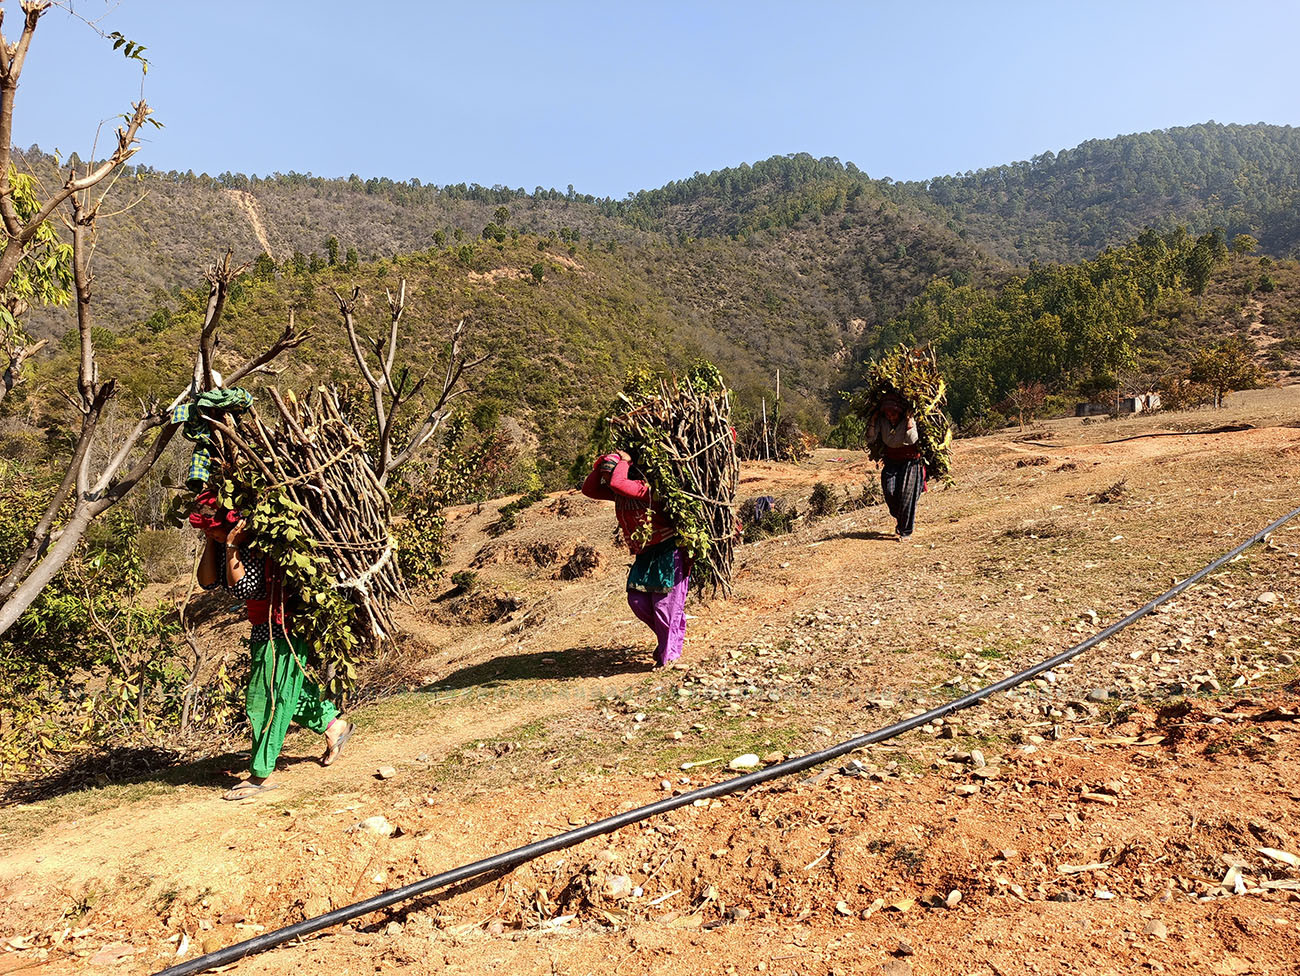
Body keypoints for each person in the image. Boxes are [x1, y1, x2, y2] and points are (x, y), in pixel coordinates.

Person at [193, 491, 353, 800]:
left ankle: (260, 774)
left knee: (265, 700)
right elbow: (207, 581)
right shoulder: (224, 543)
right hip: (262, 629)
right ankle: (334, 726)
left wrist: (230, 544)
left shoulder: (258, 548)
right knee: (288, 692)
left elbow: (246, 588)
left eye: (209, 525)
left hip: (283, 627)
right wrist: (213, 541)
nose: (205, 530)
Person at [581, 451, 689, 668]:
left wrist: (624, 460)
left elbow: (618, 483)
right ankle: (670, 635)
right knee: (637, 601)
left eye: (609, 475)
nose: (607, 481)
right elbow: (589, 489)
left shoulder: (647, 490)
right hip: (645, 554)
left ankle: (669, 657)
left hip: (669, 550)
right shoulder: (618, 493)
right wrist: (601, 464)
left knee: (664, 607)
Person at [874, 393, 925, 540]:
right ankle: (901, 518)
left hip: (911, 462)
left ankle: (905, 531)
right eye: (888, 414)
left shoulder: (909, 419)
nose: (891, 416)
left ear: (900, 412)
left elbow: (911, 440)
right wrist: (873, 420)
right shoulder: (882, 421)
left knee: (906, 496)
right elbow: (870, 437)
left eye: (894, 413)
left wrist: (909, 421)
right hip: (891, 461)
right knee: (889, 492)